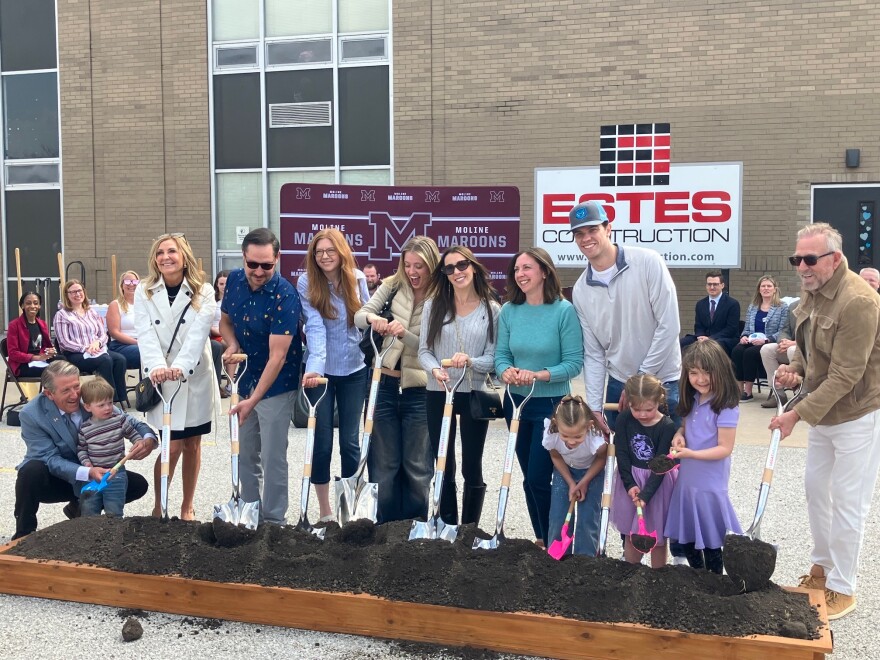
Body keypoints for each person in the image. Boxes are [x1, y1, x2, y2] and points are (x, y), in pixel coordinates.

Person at [771, 223, 880, 620]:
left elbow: (846, 374)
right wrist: (795, 370)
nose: (801, 267)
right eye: (796, 259)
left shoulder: (859, 301)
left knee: (849, 501)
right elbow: (806, 347)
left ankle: (843, 587)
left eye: (809, 259)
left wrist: (796, 413)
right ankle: (821, 569)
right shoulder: (812, 290)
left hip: (857, 415)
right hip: (823, 414)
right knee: (816, 490)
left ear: (834, 259)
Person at [568, 200, 686, 564]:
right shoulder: (581, 290)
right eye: (579, 234)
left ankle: (676, 554)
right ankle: (631, 548)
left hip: (664, 381)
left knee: (669, 467)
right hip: (620, 387)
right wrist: (593, 407)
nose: (587, 238)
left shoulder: (648, 262)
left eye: (593, 230)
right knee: (629, 468)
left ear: (608, 228)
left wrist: (640, 382)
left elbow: (669, 326)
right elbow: (594, 354)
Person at [495, 247, 583, 547]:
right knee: (527, 478)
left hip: (551, 404)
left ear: (544, 271)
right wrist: (506, 371)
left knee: (538, 477)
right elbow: (501, 356)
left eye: (527, 268)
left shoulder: (563, 311)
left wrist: (539, 374)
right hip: (516, 404)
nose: (520, 274)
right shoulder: (509, 311)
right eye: (516, 269)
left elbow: (573, 364)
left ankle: (558, 540)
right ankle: (542, 539)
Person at [12, 360, 155, 539]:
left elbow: (131, 422)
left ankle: (77, 509)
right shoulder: (31, 414)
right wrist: (87, 471)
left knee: (137, 484)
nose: (75, 395)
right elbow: (49, 459)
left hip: (94, 472)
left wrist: (148, 439)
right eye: (66, 390)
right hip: (56, 476)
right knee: (30, 471)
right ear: (49, 394)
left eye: (76, 386)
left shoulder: (90, 397)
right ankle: (23, 533)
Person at [354, 237, 440, 523]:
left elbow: (434, 348)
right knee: (383, 465)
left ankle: (415, 529)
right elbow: (360, 315)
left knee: (418, 466)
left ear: (432, 265)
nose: (412, 272)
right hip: (383, 386)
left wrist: (405, 334)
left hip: (421, 390)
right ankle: (385, 529)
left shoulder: (442, 296)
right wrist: (373, 320)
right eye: (408, 264)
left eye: (419, 266)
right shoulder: (392, 285)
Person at [220, 228, 302, 525]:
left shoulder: (285, 295)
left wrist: (253, 400)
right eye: (252, 264)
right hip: (246, 379)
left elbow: (277, 356)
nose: (258, 271)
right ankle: (250, 513)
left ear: (277, 259)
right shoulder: (234, 281)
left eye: (266, 265)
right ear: (243, 257)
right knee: (245, 452)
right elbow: (225, 321)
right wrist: (231, 343)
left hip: (277, 383)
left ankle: (274, 521)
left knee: (272, 455)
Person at [135, 233, 217, 521]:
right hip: (162, 379)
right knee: (170, 446)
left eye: (171, 251)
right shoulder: (144, 290)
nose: (165, 257)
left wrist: (181, 366)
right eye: (160, 252)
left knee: (192, 444)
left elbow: (198, 334)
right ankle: (160, 506)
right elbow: (144, 333)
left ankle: (187, 506)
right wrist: (157, 366)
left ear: (184, 258)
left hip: (193, 377)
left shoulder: (203, 291)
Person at [418, 246, 500, 526]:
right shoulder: (433, 305)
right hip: (438, 392)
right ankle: (447, 525)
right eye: (449, 268)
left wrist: (470, 361)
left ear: (474, 267)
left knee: (472, 464)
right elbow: (424, 351)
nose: (457, 272)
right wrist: (434, 369)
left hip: (474, 393)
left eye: (462, 265)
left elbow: (493, 358)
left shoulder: (492, 309)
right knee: (443, 461)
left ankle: (469, 529)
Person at [299, 228, 370, 522]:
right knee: (322, 442)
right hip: (321, 373)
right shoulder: (307, 282)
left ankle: (350, 510)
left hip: (354, 368)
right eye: (319, 252)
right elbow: (314, 327)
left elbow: (365, 318)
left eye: (330, 250)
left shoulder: (358, 279)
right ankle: (326, 512)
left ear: (341, 252)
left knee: (350, 442)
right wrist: (315, 367)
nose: (324, 256)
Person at [665, 340, 742, 574]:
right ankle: (698, 578)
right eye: (694, 373)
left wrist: (691, 454)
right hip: (687, 481)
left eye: (707, 372)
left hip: (710, 483)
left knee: (711, 540)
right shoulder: (692, 400)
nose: (701, 379)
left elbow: (725, 448)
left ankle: (715, 581)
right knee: (687, 537)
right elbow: (685, 428)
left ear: (721, 370)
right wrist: (679, 435)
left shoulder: (726, 406)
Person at [611, 374, 677, 568]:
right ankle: (630, 572)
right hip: (631, 479)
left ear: (659, 401)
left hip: (657, 484)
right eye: (636, 409)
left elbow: (661, 465)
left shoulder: (667, 426)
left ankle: (659, 575)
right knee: (632, 533)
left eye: (648, 409)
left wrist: (646, 494)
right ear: (628, 403)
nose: (642, 414)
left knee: (657, 536)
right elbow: (622, 453)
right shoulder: (624, 419)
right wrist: (629, 484)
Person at [542, 395, 606, 556]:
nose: (571, 441)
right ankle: (557, 557)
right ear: (556, 424)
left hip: (592, 472)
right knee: (558, 515)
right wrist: (571, 482)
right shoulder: (552, 433)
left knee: (588, 517)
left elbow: (601, 459)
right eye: (565, 436)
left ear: (589, 426)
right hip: (564, 471)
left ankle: (585, 558)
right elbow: (556, 457)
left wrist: (584, 482)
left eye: (577, 437)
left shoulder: (595, 438)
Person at [77, 377, 148, 517]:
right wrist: (87, 465)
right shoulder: (85, 429)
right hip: (93, 475)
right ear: (88, 407)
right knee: (89, 510)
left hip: (117, 473)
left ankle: (114, 530)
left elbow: (132, 433)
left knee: (114, 510)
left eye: (110, 403)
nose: (108, 408)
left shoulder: (119, 420)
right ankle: (91, 530)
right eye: (101, 405)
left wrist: (138, 441)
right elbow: (81, 450)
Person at [54, 279, 128, 404]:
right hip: (75, 354)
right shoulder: (62, 315)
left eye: (79, 291)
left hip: (97, 349)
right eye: (73, 292)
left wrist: (97, 343)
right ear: (67, 295)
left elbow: (103, 334)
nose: (77, 294)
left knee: (120, 359)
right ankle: (107, 400)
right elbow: (64, 342)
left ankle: (120, 397)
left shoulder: (91, 311)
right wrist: (86, 348)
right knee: (105, 361)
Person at [731, 275, 788, 401]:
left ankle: (748, 391)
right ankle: (739, 389)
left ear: (775, 289)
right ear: (759, 289)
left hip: (769, 342)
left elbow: (783, 330)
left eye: (769, 286)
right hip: (752, 340)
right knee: (737, 351)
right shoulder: (753, 306)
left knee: (749, 353)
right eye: (763, 286)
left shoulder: (782, 307)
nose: (766, 288)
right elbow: (747, 328)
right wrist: (744, 336)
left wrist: (766, 340)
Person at [679, 270, 741, 355]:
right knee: (682, 343)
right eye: (709, 284)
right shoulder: (700, 304)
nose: (712, 287)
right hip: (704, 337)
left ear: (722, 285)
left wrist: (710, 339)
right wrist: (701, 337)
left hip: (724, 339)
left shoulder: (732, 304)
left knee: (711, 346)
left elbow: (731, 329)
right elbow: (698, 326)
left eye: (715, 284)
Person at [759, 299, 799, 408]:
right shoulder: (794, 306)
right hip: (790, 345)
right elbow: (785, 329)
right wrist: (783, 342)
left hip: (809, 350)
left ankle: (799, 395)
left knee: (792, 350)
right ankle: (778, 394)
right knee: (767, 349)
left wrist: (795, 343)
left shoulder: (821, 305)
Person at [7, 291, 56, 378]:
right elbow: (13, 353)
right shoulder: (14, 325)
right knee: (54, 371)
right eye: (28, 303)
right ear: (22, 306)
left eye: (36, 303)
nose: (33, 306)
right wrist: (36, 358)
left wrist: (49, 352)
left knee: (64, 362)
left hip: (40, 360)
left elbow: (45, 346)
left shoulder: (42, 324)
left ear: (39, 306)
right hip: (22, 364)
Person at [106, 270, 141, 370]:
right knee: (144, 352)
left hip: (143, 343)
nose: (131, 284)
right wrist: (137, 343)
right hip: (121, 345)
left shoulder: (144, 305)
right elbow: (114, 333)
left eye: (134, 281)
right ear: (122, 285)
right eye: (127, 281)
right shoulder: (115, 305)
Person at [210, 270, 231, 398]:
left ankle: (230, 384)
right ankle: (229, 384)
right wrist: (223, 333)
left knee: (234, 344)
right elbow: (209, 324)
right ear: (217, 285)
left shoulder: (235, 300)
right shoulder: (212, 301)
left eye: (226, 284)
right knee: (231, 346)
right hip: (216, 334)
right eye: (221, 284)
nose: (224, 287)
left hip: (230, 334)